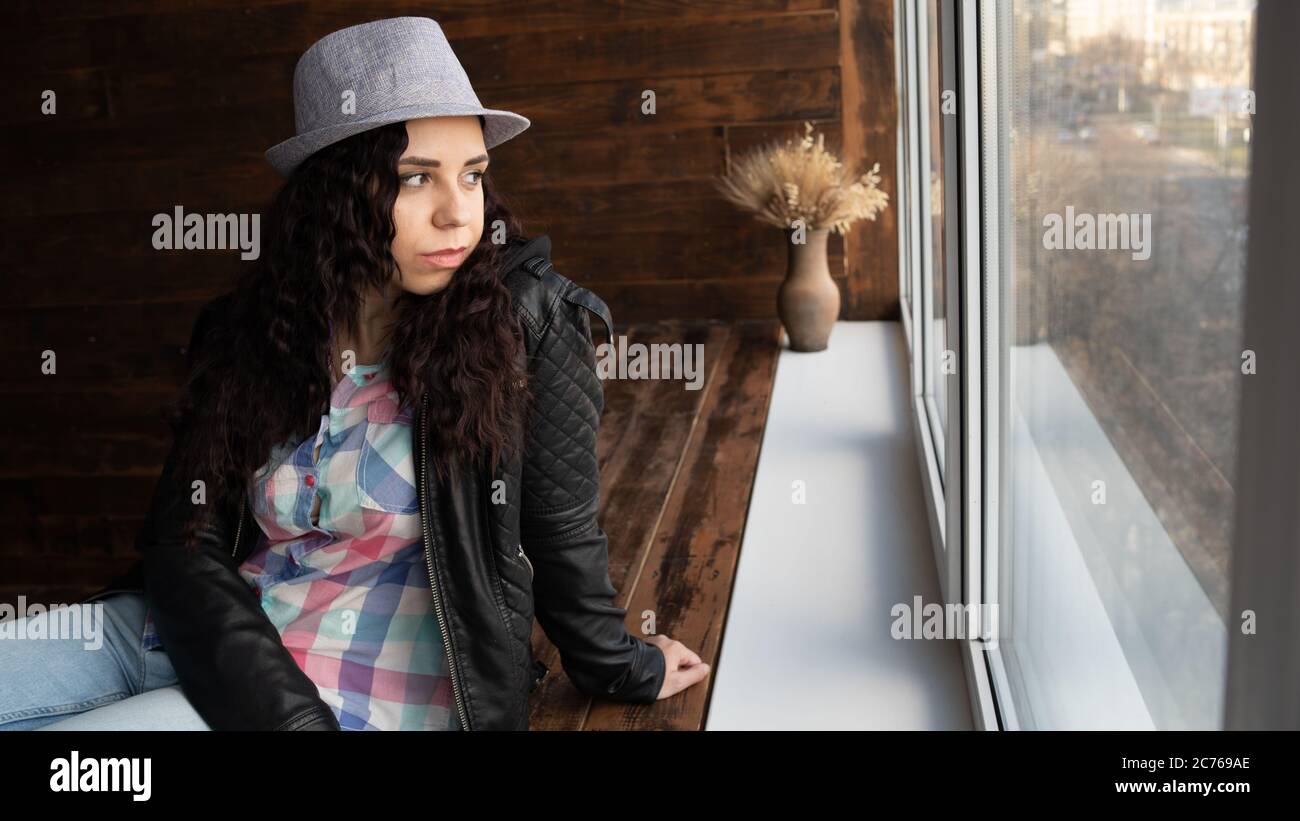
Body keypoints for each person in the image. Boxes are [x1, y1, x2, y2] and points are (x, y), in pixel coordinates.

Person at [0, 16, 708, 731]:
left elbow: (560, 535)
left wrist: (622, 662)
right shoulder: (250, 327)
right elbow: (183, 540)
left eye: (472, 175)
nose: (457, 213)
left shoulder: (522, 323)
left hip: (351, 687)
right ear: (338, 194)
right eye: (415, 178)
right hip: (193, 637)